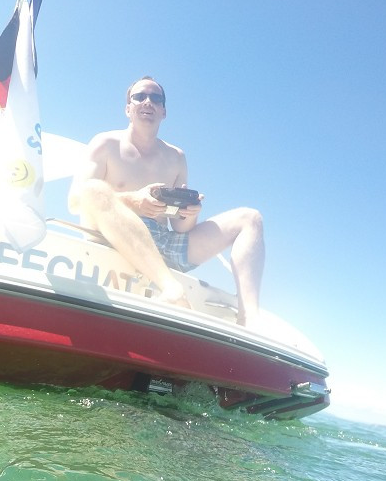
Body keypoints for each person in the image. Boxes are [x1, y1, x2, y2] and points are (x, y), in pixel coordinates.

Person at [68, 77, 265, 326]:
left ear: (164, 111)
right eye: (139, 97)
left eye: (155, 98)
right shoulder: (105, 144)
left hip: (164, 243)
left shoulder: (176, 157)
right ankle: (172, 290)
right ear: (128, 108)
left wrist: (189, 213)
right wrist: (134, 200)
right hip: (114, 239)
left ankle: (249, 317)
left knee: (251, 219)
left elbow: (181, 229)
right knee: (94, 189)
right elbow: (76, 200)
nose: (147, 102)